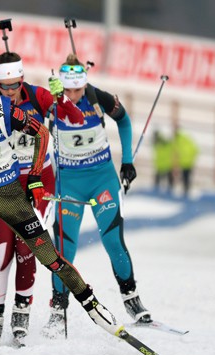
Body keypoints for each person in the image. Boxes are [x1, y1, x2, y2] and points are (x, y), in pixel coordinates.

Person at [0, 58, 123, 355]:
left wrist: (34, 177)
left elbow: (48, 130)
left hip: (10, 192)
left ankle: (93, 307)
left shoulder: (13, 106)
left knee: (46, 255)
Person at [44, 54, 152, 337]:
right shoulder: (52, 102)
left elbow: (125, 122)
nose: (74, 95)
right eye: (68, 91)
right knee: (65, 248)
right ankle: (58, 307)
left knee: (113, 239)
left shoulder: (97, 97)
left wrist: (127, 161)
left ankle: (131, 298)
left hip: (102, 179)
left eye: (78, 90)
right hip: (69, 183)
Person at [0, 51, 85, 344]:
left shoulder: (39, 96)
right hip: (3, 182)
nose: (12, 92)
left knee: (28, 247)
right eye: (5, 87)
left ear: (22, 80)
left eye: (16, 85)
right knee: (3, 249)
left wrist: (61, 98)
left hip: (39, 181)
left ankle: (21, 313)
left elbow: (75, 119)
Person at [172, 127, 199, 198]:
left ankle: (186, 191)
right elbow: (195, 148)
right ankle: (186, 190)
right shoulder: (185, 139)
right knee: (186, 177)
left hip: (185, 162)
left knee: (185, 177)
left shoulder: (178, 141)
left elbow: (177, 153)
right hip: (188, 162)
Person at [152, 128, 174, 194]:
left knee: (167, 181)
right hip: (161, 164)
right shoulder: (157, 143)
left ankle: (168, 191)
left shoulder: (161, 142)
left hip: (165, 164)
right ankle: (158, 191)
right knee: (159, 181)